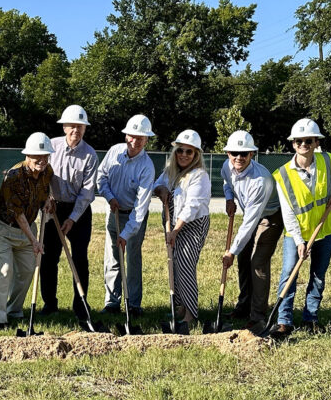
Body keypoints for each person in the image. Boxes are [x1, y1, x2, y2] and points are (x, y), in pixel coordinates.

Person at [270, 118, 331, 337]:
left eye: (308, 140)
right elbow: (288, 213)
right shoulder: (282, 175)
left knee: (318, 276)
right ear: (293, 144)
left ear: (316, 142)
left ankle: (310, 318)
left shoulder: (329, 161)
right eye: (299, 141)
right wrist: (299, 241)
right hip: (296, 233)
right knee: (288, 274)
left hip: (326, 229)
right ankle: (283, 320)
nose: (304, 144)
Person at [0, 132, 54, 329]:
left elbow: (45, 191)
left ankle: (14, 309)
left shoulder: (48, 171)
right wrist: (34, 241)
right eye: (37, 156)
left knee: (28, 269)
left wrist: (47, 201)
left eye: (45, 156)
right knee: (5, 270)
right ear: (27, 156)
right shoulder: (14, 177)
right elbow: (18, 215)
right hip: (0, 227)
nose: (41, 160)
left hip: (26, 228)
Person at [220, 130, 283, 331]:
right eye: (234, 153)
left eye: (244, 153)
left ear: (252, 154)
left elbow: (250, 222)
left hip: (270, 216)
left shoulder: (260, 180)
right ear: (228, 153)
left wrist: (231, 250)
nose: (239, 157)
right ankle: (243, 306)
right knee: (243, 258)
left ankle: (257, 317)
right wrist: (229, 198)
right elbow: (226, 182)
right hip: (251, 213)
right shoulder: (226, 167)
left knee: (257, 262)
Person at [40, 105, 98, 319]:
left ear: (84, 129)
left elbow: (87, 192)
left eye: (80, 127)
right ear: (64, 127)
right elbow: (41, 174)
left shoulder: (90, 155)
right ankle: (49, 304)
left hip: (79, 212)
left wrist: (72, 219)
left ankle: (80, 305)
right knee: (49, 258)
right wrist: (46, 198)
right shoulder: (51, 147)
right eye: (72, 126)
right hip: (53, 208)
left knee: (80, 259)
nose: (76, 130)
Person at [97, 114, 156, 317]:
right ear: (126, 136)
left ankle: (133, 304)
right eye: (132, 136)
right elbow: (101, 177)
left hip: (134, 216)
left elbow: (141, 208)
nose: (135, 141)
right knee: (112, 258)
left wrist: (127, 233)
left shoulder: (146, 167)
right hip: (113, 212)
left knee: (132, 258)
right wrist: (109, 196)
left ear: (147, 140)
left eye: (141, 138)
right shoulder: (114, 152)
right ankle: (112, 302)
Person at [153, 130, 211, 324]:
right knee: (174, 263)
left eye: (189, 152)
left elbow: (192, 206)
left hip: (192, 224)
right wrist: (160, 189)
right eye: (181, 150)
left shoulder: (199, 175)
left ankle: (191, 314)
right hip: (173, 224)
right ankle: (180, 307)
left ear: (196, 155)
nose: (184, 155)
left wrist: (176, 231)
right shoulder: (171, 170)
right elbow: (158, 184)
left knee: (184, 264)